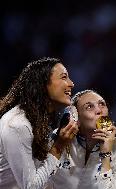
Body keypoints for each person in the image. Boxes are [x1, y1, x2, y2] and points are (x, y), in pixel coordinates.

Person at [0, 57, 79, 189]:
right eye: (64, 77)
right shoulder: (17, 125)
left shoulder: (39, 118)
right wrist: (58, 147)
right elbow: (31, 186)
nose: (71, 83)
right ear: (43, 84)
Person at [47, 90, 116, 188]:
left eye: (102, 104)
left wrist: (105, 155)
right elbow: (37, 181)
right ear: (76, 118)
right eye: (89, 107)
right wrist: (58, 146)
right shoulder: (59, 138)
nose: (99, 111)